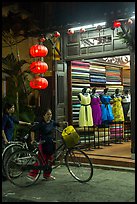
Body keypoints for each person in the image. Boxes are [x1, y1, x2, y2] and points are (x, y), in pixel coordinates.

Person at [28, 107, 67, 181]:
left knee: (50, 160)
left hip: (50, 143)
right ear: (44, 115)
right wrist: (32, 140)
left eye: (51, 114)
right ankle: (32, 174)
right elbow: (32, 130)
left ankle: (47, 175)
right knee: (41, 160)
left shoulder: (52, 122)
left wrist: (64, 123)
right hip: (43, 144)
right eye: (48, 114)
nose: (49, 116)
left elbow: (59, 124)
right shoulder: (41, 124)